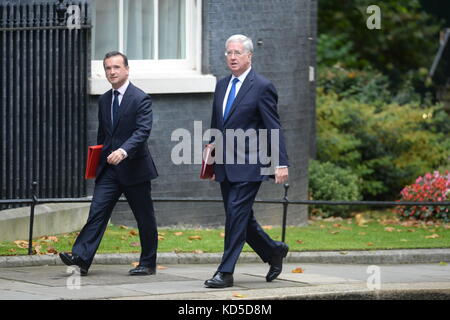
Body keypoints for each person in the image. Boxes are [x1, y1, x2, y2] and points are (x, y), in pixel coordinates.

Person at [59, 51, 158, 276]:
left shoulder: (141, 98)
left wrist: (123, 151)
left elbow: (142, 132)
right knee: (97, 211)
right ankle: (81, 258)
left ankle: (148, 263)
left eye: (116, 67)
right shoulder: (104, 100)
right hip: (110, 171)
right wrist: (97, 162)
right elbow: (103, 136)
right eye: (107, 68)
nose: (112, 72)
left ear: (127, 69)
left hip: (135, 169)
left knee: (144, 217)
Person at [204, 35, 289, 288]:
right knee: (241, 217)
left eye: (238, 52)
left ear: (249, 56)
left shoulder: (262, 86)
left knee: (235, 216)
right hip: (225, 165)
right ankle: (273, 250)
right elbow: (217, 123)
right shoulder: (221, 85)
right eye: (229, 52)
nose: (232, 57)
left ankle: (225, 272)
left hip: (251, 165)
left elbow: (274, 127)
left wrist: (280, 163)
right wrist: (211, 154)